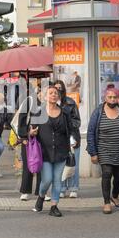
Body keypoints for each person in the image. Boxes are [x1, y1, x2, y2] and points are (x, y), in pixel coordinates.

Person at [87, 89, 119, 214]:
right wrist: (93, 153)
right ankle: (106, 203)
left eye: (115, 97)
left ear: (118, 98)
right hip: (104, 149)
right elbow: (90, 132)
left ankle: (114, 196)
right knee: (107, 173)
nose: (112, 99)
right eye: (110, 97)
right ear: (105, 98)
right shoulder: (98, 112)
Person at [30, 86, 74, 217]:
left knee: (57, 180)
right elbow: (31, 131)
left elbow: (71, 129)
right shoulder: (39, 113)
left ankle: (54, 206)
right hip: (44, 152)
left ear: (58, 96)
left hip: (61, 151)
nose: (53, 95)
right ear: (45, 97)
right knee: (47, 179)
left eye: (56, 93)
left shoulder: (65, 113)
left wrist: (73, 140)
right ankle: (41, 196)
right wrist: (31, 133)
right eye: (50, 93)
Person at [54, 80, 81, 199]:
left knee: (74, 163)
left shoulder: (70, 103)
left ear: (64, 90)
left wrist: (67, 124)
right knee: (61, 164)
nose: (58, 91)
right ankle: (62, 188)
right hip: (59, 139)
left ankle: (74, 188)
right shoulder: (51, 104)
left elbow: (77, 121)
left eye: (60, 88)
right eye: (55, 88)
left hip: (72, 137)